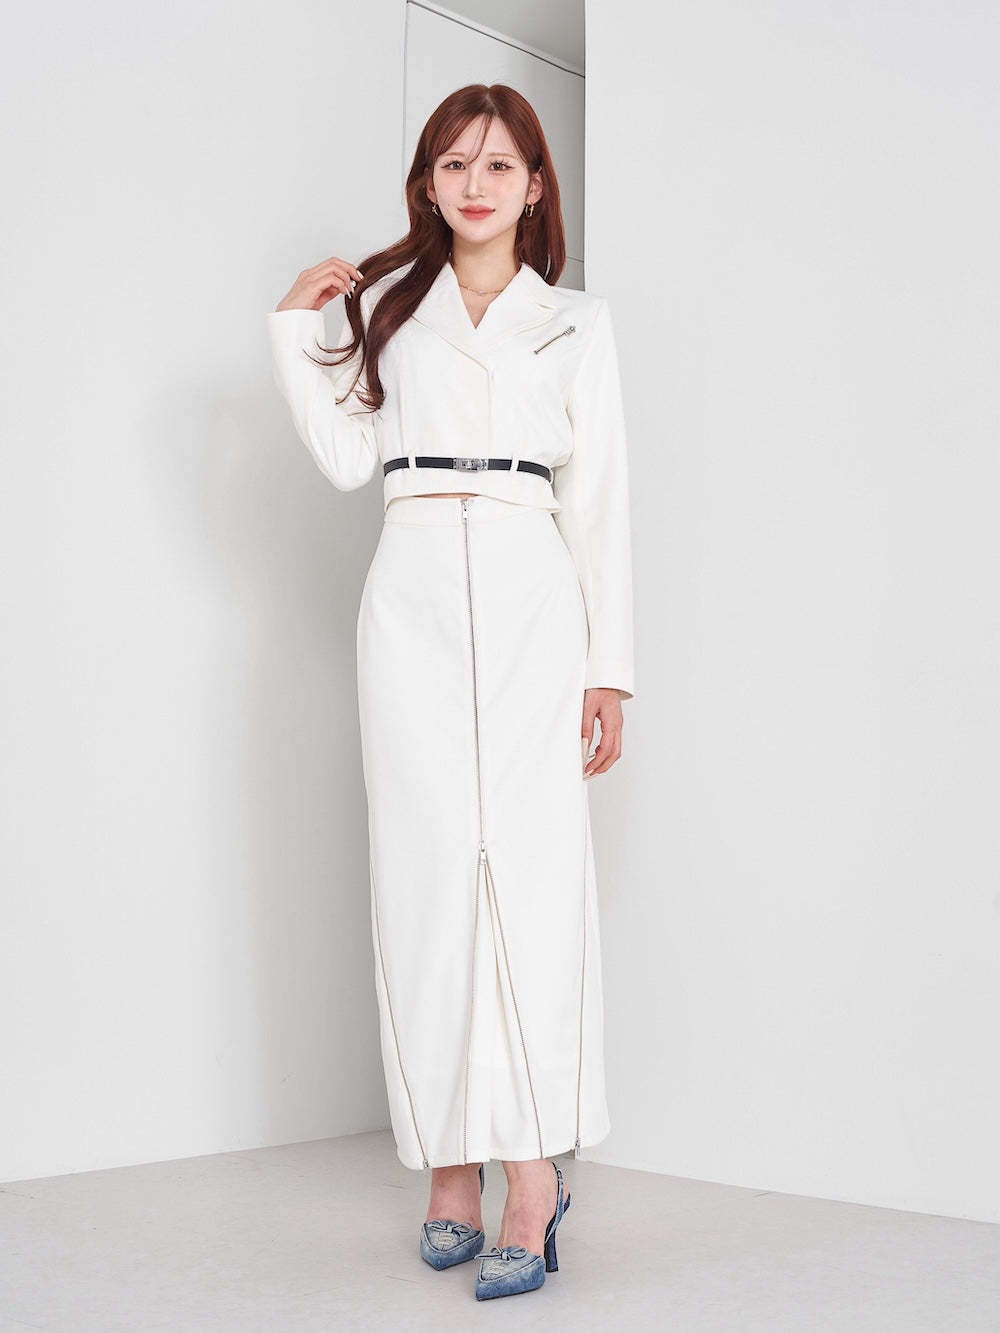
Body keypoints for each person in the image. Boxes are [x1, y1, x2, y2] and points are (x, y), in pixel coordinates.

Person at [266, 83, 634, 1301]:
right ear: (426, 183)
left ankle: (534, 1171)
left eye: (500, 164)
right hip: (410, 593)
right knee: (425, 871)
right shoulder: (386, 309)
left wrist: (609, 668)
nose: (476, 183)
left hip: (534, 598)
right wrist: (295, 328)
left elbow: (599, 501)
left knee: (530, 873)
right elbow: (344, 456)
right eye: (453, 164)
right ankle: (448, 1163)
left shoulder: (575, 323)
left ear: (535, 185)